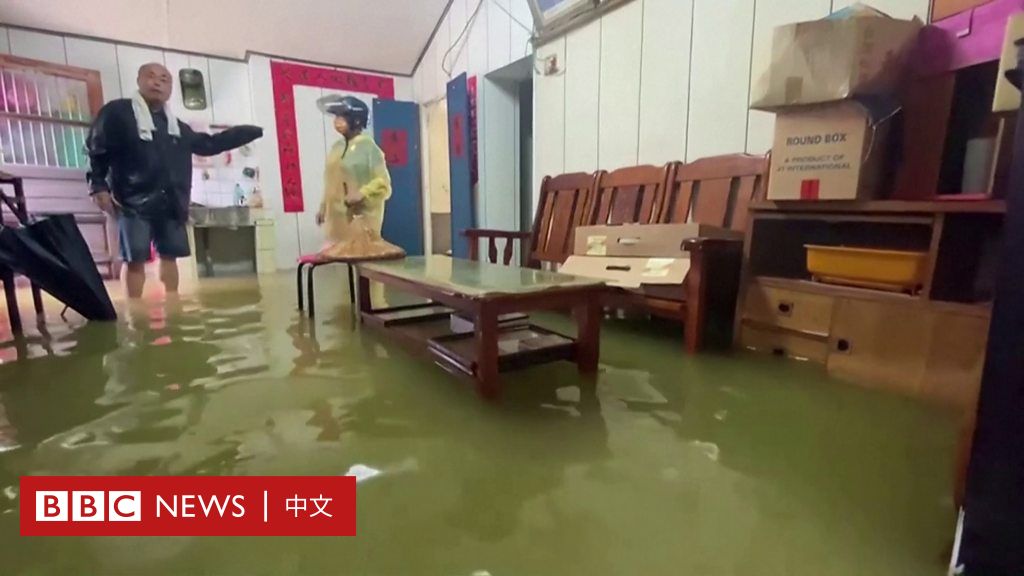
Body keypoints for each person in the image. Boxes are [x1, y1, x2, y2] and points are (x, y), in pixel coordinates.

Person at [86, 63, 263, 298]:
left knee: (170, 255)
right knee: (135, 257)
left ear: (170, 89)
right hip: (132, 201)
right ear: (139, 81)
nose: (157, 82)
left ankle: (172, 302)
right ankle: (134, 310)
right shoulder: (117, 113)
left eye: (164, 79)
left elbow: (209, 144)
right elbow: (97, 149)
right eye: (151, 76)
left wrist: (252, 131)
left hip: (171, 202)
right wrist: (98, 185)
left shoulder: (177, 127)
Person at [316, 95, 400, 306]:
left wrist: (361, 193)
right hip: (338, 216)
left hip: (364, 215)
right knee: (345, 263)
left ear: (355, 119)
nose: (337, 121)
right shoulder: (336, 147)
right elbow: (331, 180)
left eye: (342, 116)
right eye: (335, 116)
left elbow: (383, 181)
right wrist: (322, 207)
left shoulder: (368, 147)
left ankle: (376, 306)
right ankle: (351, 307)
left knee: (368, 263)